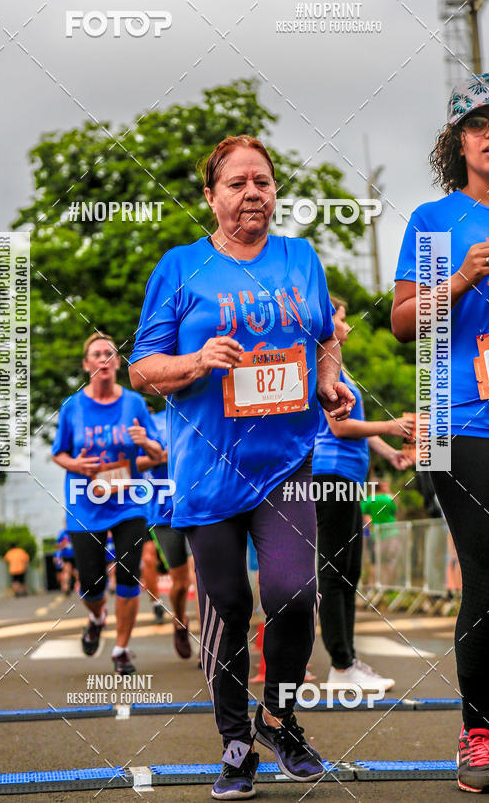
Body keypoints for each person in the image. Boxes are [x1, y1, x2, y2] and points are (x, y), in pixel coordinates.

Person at [129, 135, 355, 800]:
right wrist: (198, 361)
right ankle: (234, 742)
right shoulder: (180, 267)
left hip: (285, 460)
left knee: (294, 593)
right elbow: (144, 369)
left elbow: (324, 339)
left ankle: (278, 719)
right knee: (228, 604)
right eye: (236, 183)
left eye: (262, 181)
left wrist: (329, 381)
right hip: (208, 469)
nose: (252, 193)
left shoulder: (300, 258)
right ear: (211, 196)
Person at [392, 72, 489, 794]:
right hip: (462, 421)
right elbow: (403, 324)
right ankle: (478, 734)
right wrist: (460, 280)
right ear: (458, 144)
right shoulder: (434, 222)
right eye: (478, 124)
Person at [313, 297, 412, 693]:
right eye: (341, 319)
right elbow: (339, 429)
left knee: (348, 570)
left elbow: (356, 427)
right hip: (330, 474)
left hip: (347, 476)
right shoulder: (322, 369)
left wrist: (390, 453)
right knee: (335, 570)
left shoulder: (339, 368)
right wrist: (389, 426)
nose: (348, 326)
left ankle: (347, 661)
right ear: (327, 322)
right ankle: (341, 664)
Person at [51, 332, 163, 676]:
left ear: (116, 363)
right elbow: (59, 453)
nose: (104, 359)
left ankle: (121, 649)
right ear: (87, 365)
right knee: (91, 584)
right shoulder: (72, 407)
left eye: (109, 354)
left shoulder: (134, 404)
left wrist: (146, 442)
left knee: (129, 574)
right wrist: (77, 465)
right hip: (85, 505)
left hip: (129, 502)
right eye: (97, 354)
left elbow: (158, 453)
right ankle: (97, 616)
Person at [141, 407, 193, 659]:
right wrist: (158, 457)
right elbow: (130, 464)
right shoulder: (145, 424)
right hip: (163, 512)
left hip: (198, 505)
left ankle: (210, 646)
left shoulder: (192, 411)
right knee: (180, 582)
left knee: (200, 575)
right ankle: (180, 620)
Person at [54, 526, 78, 595]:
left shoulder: (76, 531)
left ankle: (75, 587)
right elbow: (56, 546)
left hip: (75, 556)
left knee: (75, 573)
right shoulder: (63, 533)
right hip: (67, 556)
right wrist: (63, 545)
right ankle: (66, 588)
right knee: (67, 572)